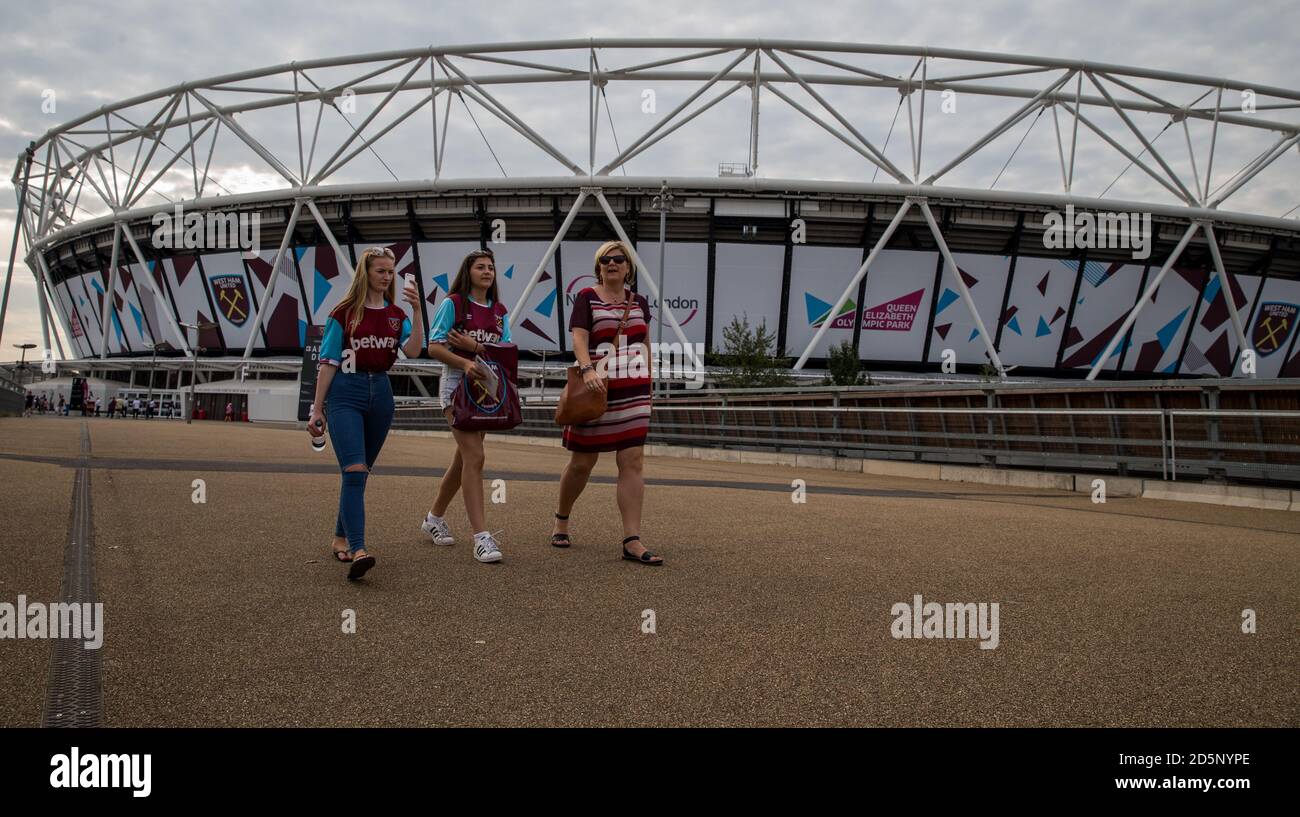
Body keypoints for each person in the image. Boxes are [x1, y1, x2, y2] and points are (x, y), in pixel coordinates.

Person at [309, 246, 424, 580]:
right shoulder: (343, 313)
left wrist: (416, 311)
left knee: (358, 473)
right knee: (355, 471)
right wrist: (317, 409)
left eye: (391, 271)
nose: (387, 277)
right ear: (365, 273)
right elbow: (328, 362)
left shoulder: (395, 315)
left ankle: (340, 537)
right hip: (346, 392)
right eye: (380, 271)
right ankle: (359, 550)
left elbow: (414, 351)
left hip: (382, 395)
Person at [551, 240, 662, 566]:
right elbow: (579, 337)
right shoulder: (587, 297)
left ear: (628, 267)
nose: (612, 264)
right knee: (583, 463)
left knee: (632, 461)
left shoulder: (639, 301)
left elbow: (645, 344)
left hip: (635, 390)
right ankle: (562, 518)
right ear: (598, 267)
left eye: (619, 259)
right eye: (605, 260)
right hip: (597, 387)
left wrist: (650, 390)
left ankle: (632, 540)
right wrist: (586, 370)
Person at [419, 249, 511, 564]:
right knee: (475, 456)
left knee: (462, 461)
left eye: (491, 267)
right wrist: (464, 361)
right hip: (457, 388)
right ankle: (481, 537)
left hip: (486, 391)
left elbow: (505, 351)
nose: (487, 272)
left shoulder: (499, 311)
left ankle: (433, 517)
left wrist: (474, 347)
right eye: (480, 267)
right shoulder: (453, 304)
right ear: (468, 272)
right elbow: (432, 346)